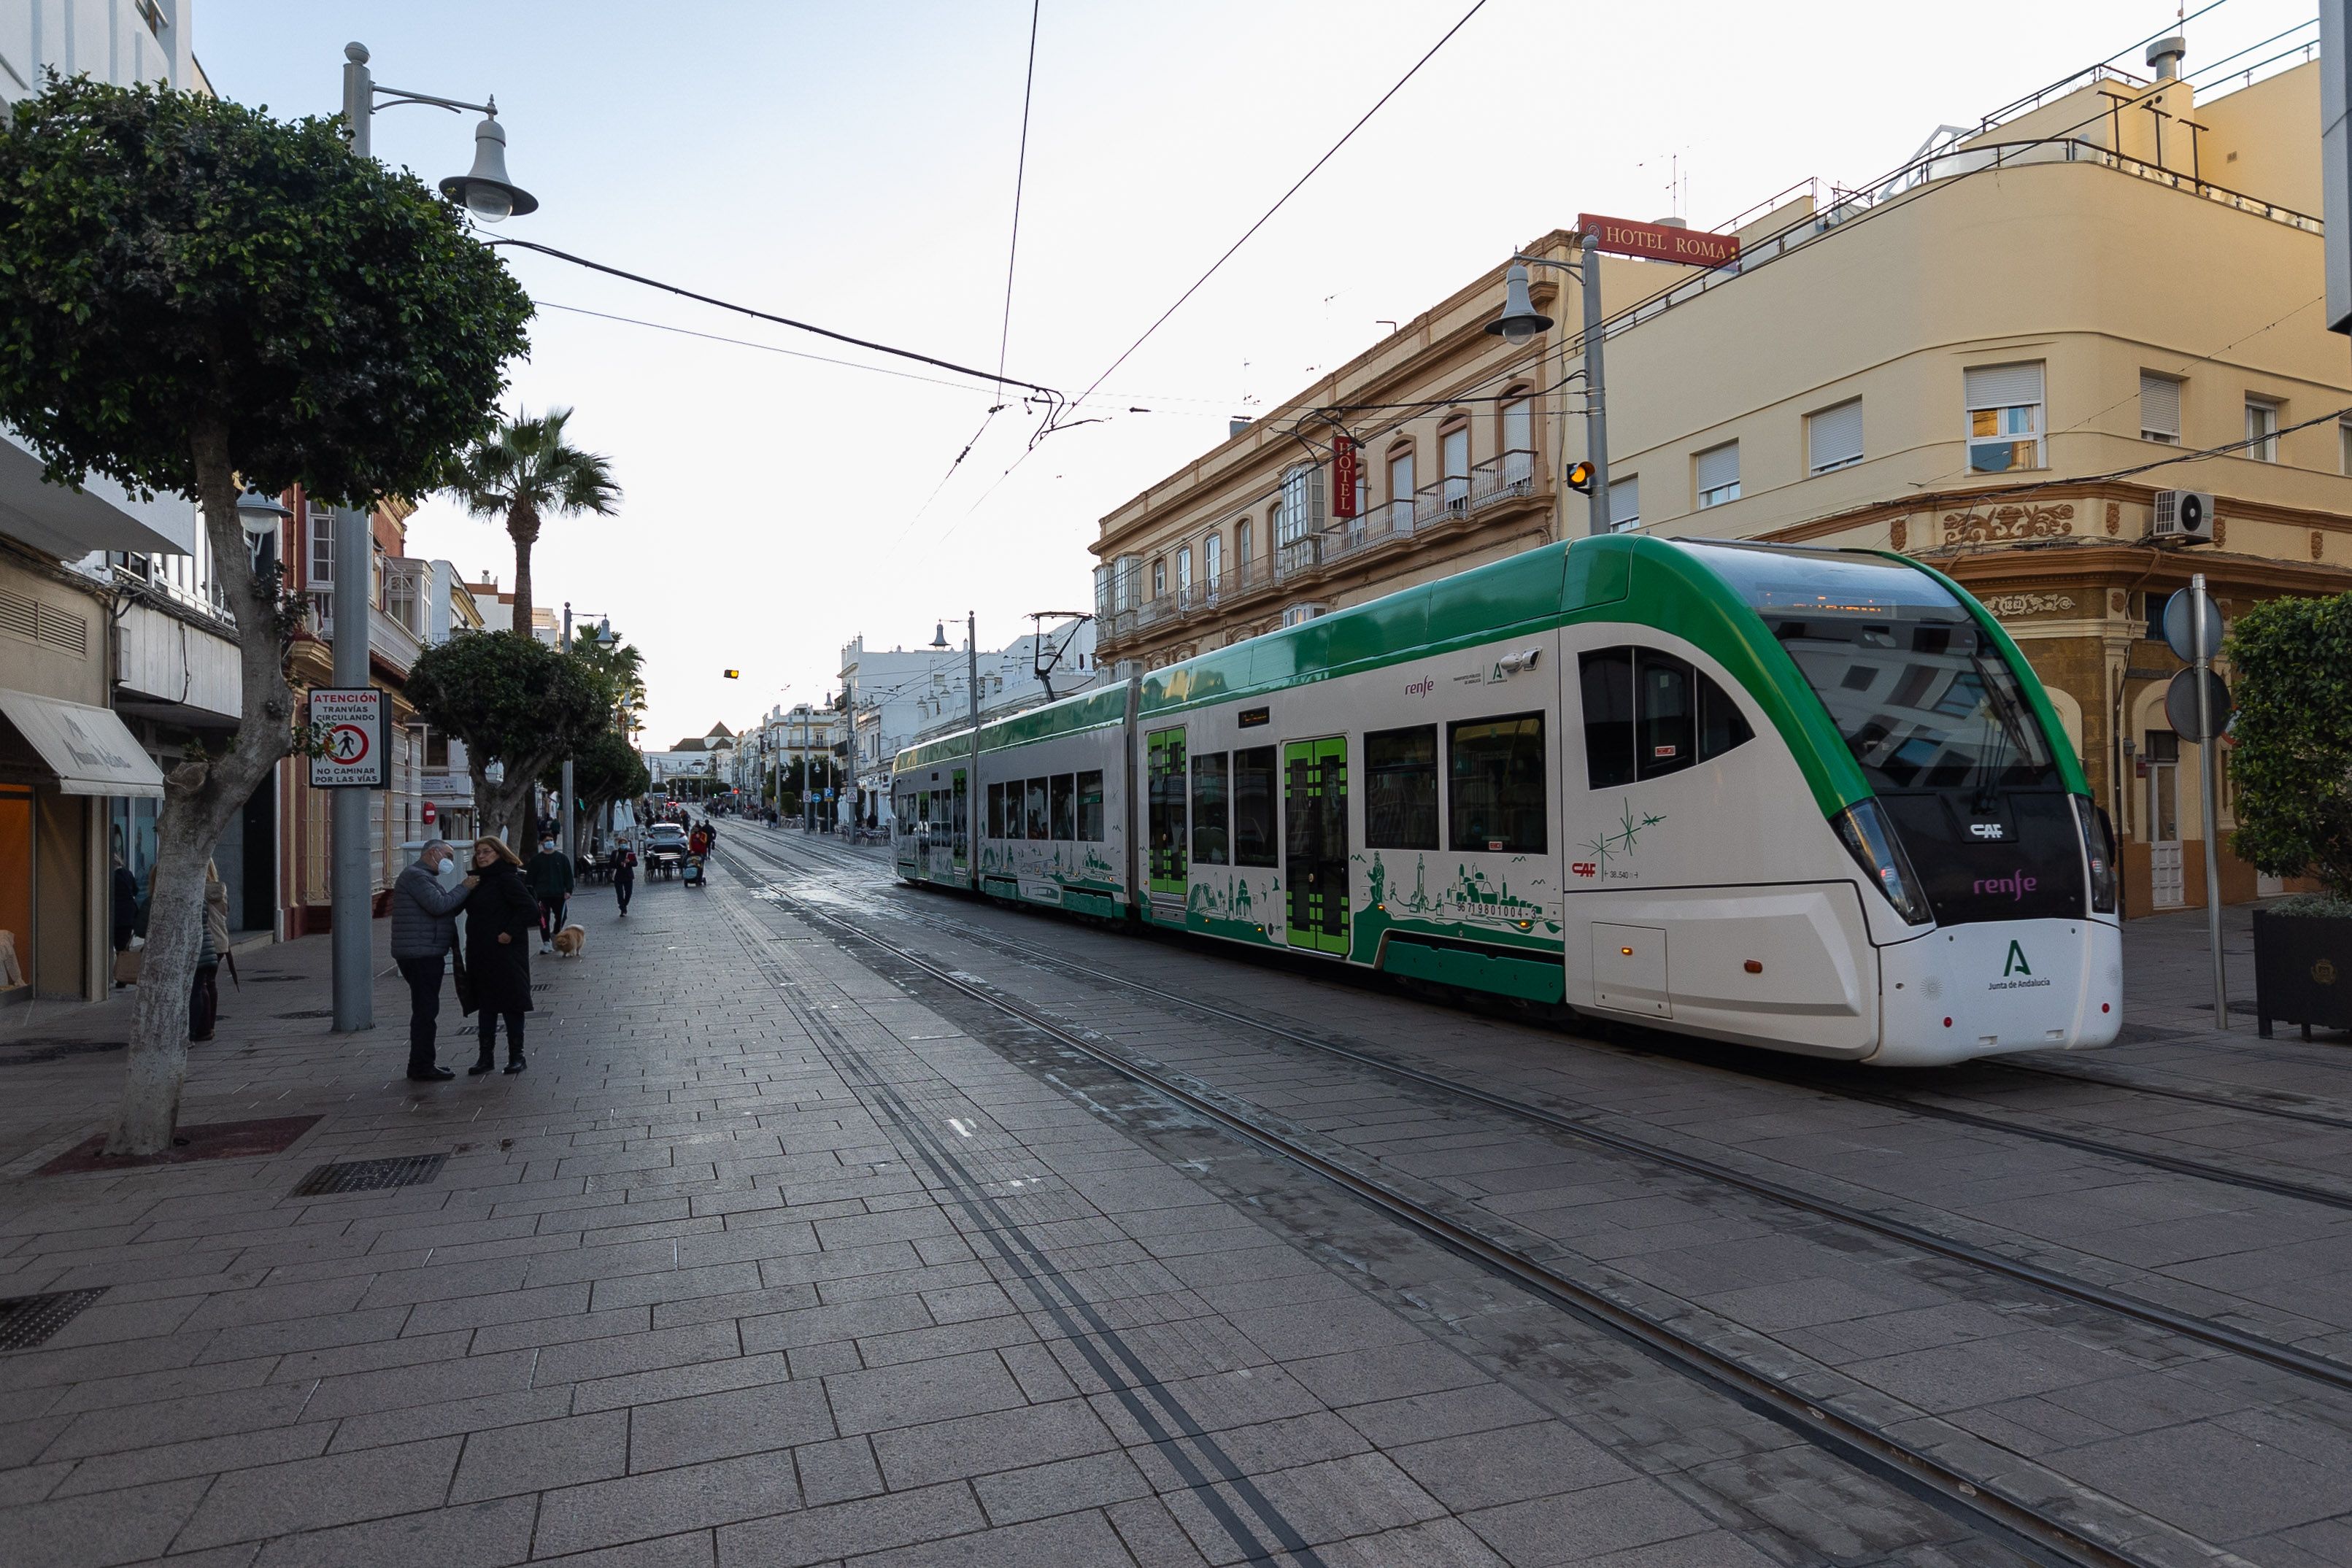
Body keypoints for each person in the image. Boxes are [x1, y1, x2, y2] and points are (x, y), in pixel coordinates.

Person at [390, 841, 476, 1081]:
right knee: (426, 1011)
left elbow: (444, 908)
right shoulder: (416, 876)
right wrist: (465, 887)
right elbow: (439, 905)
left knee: (426, 1009)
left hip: (424, 951)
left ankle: (423, 1063)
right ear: (433, 853)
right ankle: (421, 1066)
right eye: (447, 855)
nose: (450, 860)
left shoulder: (424, 877)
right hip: (421, 955)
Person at [463, 838, 539, 1074]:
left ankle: (517, 1056)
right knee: (486, 1006)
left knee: (511, 1004)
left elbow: (530, 909)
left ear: (499, 853)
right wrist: (464, 888)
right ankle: (485, 1058)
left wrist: (509, 932)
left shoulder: (507, 878)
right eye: (478, 852)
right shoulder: (477, 881)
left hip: (506, 953)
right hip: (481, 953)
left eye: (487, 852)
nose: (481, 856)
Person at [188, 861, 228, 1042]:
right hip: (219, 942)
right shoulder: (220, 890)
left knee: (201, 985)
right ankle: (210, 1026)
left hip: (205, 942)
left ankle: (203, 1028)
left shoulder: (197, 891)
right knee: (210, 984)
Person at [526, 837, 574, 954]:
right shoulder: (536, 860)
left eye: (551, 840)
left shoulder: (562, 858)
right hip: (542, 895)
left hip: (559, 894)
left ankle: (556, 932)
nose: (549, 842)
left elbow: (568, 875)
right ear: (541, 843)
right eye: (546, 840)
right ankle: (546, 942)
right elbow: (530, 879)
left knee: (562, 916)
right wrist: (532, 894)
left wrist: (569, 890)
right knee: (543, 919)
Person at [613, 846, 636, 916]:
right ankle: (623, 909)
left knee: (629, 893)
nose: (622, 845)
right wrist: (619, 864)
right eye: (621, 843)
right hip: (618, 877)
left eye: (624, 843)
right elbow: (611, 864)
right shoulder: (615, 853)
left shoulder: (630, 853)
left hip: (628, 876)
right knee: (620, 894)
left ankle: (623, 905)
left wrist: (629, 862)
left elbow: (635, 863)